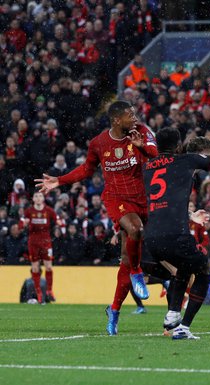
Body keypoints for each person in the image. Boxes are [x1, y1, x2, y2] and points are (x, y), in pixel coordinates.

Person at [35, 100, 158, 335]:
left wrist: (141, 147)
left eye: (134, 114)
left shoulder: (142, 131)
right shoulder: (99, 143)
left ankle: (114, 310)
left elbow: (154, 153)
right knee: (136, 230)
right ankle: (137, 273)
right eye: (130, 115)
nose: (135, 118)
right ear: (116, 120)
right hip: (115, 198)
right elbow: (86, 170)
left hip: (142, 199)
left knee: (125, 256)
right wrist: (59, 180)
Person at [143, 108, 210, 340]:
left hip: (151, 239)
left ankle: (172, 315)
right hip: (174, 234)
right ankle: (184, 326)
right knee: (204, 268)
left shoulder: (147, 168)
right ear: (179, 145)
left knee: (184, 268)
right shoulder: (185, 160)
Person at [23, 191, 58, 304]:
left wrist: (61, 224)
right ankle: (38, 291)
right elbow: (21, 223)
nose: (38, 198)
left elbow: (58, 220)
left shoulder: (49, 210)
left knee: (48, 267)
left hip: (46, 242)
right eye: (36, 196)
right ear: (33, 199)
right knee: (35, 268)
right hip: (33, 243)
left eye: (40, 196)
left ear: (43, 198)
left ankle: (49, 290)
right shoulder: (29, 211)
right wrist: (23, 223)